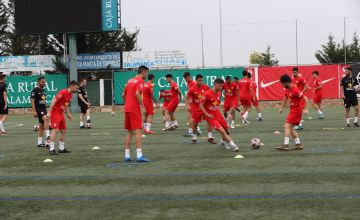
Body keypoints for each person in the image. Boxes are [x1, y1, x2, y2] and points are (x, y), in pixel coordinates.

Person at [200, 78, 239, 152]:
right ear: (215, 84)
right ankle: (234, 146)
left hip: (218, 115)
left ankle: (222, 142)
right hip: (211, 117)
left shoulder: (219, 93)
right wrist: (207, 114)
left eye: (222, 86)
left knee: (227, 131)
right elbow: (201, 105)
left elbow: (215, 105)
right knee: (222, 131)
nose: (222, 88)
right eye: (220, 86)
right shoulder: (207, 94)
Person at [122, 66, 151, 162]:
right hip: (134, 109)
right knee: (138, 131)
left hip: (127, 108)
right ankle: (139, 155)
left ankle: (127, 155)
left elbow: (123, 94)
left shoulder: (130, 80)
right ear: (143, 72)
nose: (146, 75)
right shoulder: (140, 81)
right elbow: (137, 94)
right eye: (146, 73)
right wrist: (142, 106)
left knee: (129, 132)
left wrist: (127, 104)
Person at [48, 81, 80, 155]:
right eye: (76, 88)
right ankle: (51, 149)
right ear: (71, 86)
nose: (77, 90)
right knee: (55, 130)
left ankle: (61, 149)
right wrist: (49, 112)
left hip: (61, 113)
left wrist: (68, 114)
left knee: (63, 131)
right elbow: (53, 101)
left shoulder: (70, 95)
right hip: (55, 112)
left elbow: (65, 105)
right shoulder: (63, 92)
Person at [277, 74, 308, 151]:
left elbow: (306, 98)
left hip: (296, 111)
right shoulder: (287, 89)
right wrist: (281, 107)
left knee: (286, 126)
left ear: (286, 82)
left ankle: (286, 145)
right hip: (293, 111)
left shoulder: (295, 89)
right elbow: (285, 99)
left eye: (282, 84)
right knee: (290, 129)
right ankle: (298, 144)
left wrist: (306, 109)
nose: (282, 85)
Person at [185, 74, 215, 144]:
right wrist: (187, 105)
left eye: (202, 80)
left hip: (205, 107)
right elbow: (186, 97)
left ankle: (210, 137)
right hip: (196, 108)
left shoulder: (206, 87)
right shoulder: (192, 88)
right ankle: (194, 138)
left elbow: (210, 95)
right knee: (195, 123)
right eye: (199, 80)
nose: (201, 82)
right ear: (196, 80)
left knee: (209, 121)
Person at [31, 76, 50, 148]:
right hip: (38, 108)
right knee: (46, 119)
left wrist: (46, 109)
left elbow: (44, 101)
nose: (44, 83)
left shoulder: (44, 91)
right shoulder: (35, 90)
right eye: (42, 82)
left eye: (44, 82)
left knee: (41, 126)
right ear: (38, 82)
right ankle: (48, 136)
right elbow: (32, 101)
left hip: (43, 108)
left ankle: (39, 143)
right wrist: (34, 111)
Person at [183, 72, 199, 136]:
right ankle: (197, 129)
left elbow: (195, 93)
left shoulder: (193, 83)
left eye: (187, 78)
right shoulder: (188, 83)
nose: (186, 79)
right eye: (185, 78)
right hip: (192, 101)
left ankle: (190, 131)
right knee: (191, 116)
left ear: (190, 76)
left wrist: (191, 101)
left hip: (194, 102)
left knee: (190, 116)